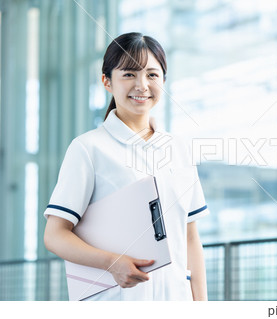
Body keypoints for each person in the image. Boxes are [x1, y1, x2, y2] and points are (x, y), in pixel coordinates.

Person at [43, 32, 209, 301]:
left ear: (163, 81)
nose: (142, 85)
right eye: (129, 74)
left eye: (152, 75)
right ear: (107, 82)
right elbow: (55, 235)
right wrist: (112, 262)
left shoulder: (179, 149)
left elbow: (190, 237)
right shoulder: (88, 148)